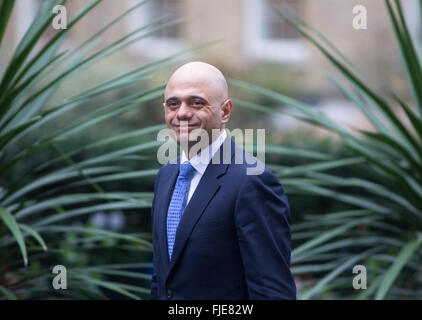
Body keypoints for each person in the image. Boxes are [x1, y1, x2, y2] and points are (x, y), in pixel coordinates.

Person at [150, 61, 296, 299]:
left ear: (225, 111)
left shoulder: (252, 182)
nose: (182, 113)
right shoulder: (166, 176)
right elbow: (163, 280)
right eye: (173, 104)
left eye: (196, 103)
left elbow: (272, 292)